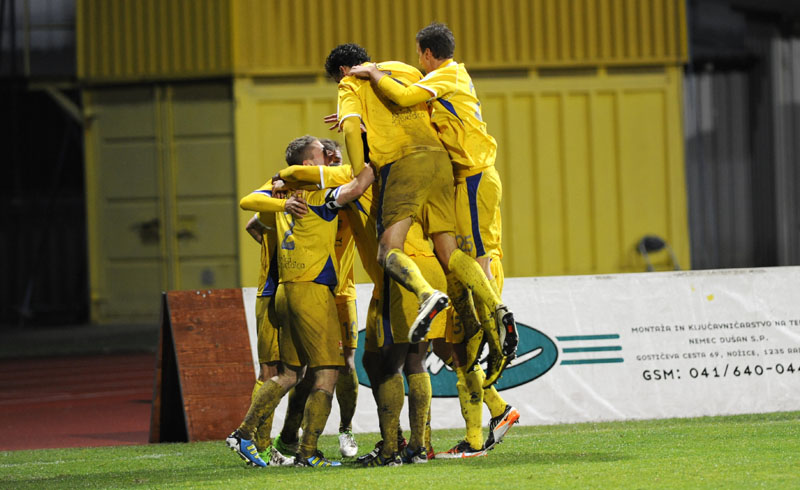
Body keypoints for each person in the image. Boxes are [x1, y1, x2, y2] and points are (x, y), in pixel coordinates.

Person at [349, 22, 521, 457]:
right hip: (461, 181)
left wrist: (370, 75)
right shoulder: (441, 87)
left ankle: (496, 314)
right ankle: (494, 416)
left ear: (427, 54)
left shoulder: (446, 75)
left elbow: (406, 98)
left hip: (477, 176)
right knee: (452, 348)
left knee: (472, 264)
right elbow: (413, 115)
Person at [324, 44, 517, 358]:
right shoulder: (406, 70)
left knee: (388, 250)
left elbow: (348, 128)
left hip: (403, 165)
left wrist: (360, 174)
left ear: (343, 71)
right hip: (441, 163)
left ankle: (427, 296)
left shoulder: (350, 83)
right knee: (449, 251)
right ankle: (496, 307)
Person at [226, 135, 344, 468]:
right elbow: (252, 215)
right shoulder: (288, 188)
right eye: (325, 155)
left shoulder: (297, 188)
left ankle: (270, 443)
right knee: (273, 370)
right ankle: (260, 447)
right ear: (309, 163)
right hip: (277, 288)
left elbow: (254, 224)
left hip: (287, 287)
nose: (329, 159)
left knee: (292, 372)